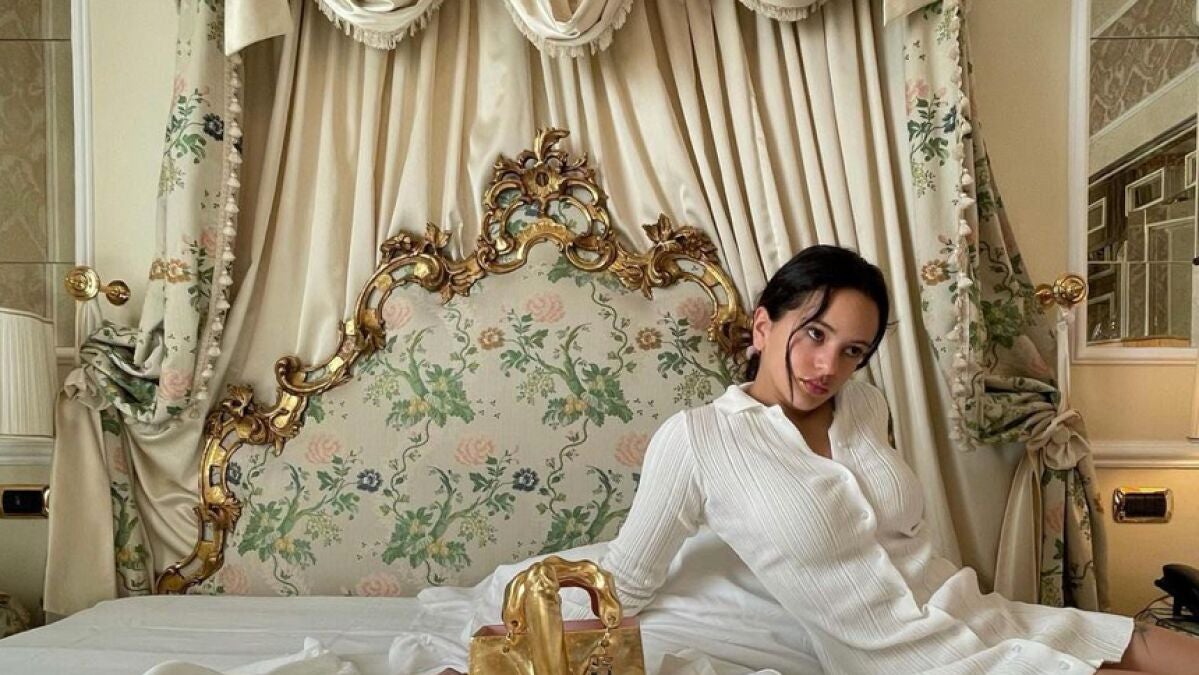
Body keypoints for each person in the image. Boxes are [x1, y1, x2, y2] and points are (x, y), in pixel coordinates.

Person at [592, 245, 1199, 674]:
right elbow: (624, 581)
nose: (828, 367)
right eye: (815, 334)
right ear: (762, 326)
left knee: (1159, 646)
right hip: (908, 659)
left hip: (977, 613)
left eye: (852, 350)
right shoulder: (697, 440)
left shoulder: (864, 404)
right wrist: (541, 626)